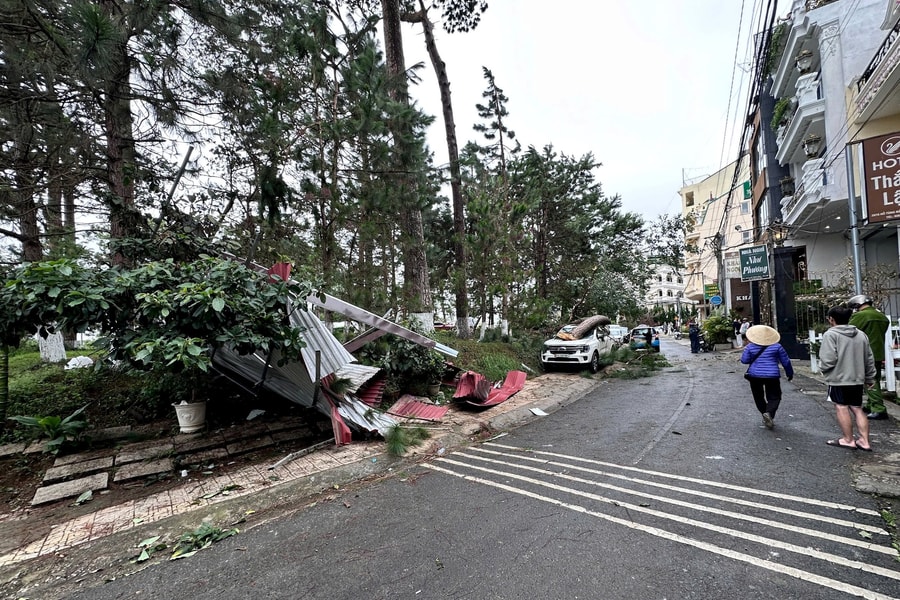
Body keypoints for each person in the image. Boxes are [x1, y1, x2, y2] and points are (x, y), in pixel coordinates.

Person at [819, 305, 875, 451]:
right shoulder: (861, 334)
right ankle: (864, 441)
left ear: (831, 319)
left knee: (841, 407)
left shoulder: (831, 334)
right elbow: (869, 358)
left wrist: (824, 369)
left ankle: (848, 439)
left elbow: (828, 359)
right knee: (857, 408)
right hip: (857, 378)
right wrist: (870, 377)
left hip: (839, 378)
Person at [740, 324, 794, 429]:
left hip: (754, 375)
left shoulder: (750, 347)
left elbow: (744, 360)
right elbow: (786, 361)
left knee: (758, 396)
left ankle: (765, 413)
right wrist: (789, 373)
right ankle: (769, 413)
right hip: (772, 375)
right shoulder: (777, 346)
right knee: (775, 396)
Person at [848, 294, 890, 420]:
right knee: (874, 377)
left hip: (865, 352)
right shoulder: (881, 316)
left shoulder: (860, 316)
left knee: (869, 381)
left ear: (856, 305)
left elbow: (849, 331)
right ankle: (871, 404)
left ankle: (878, 408)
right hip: (878, 351)